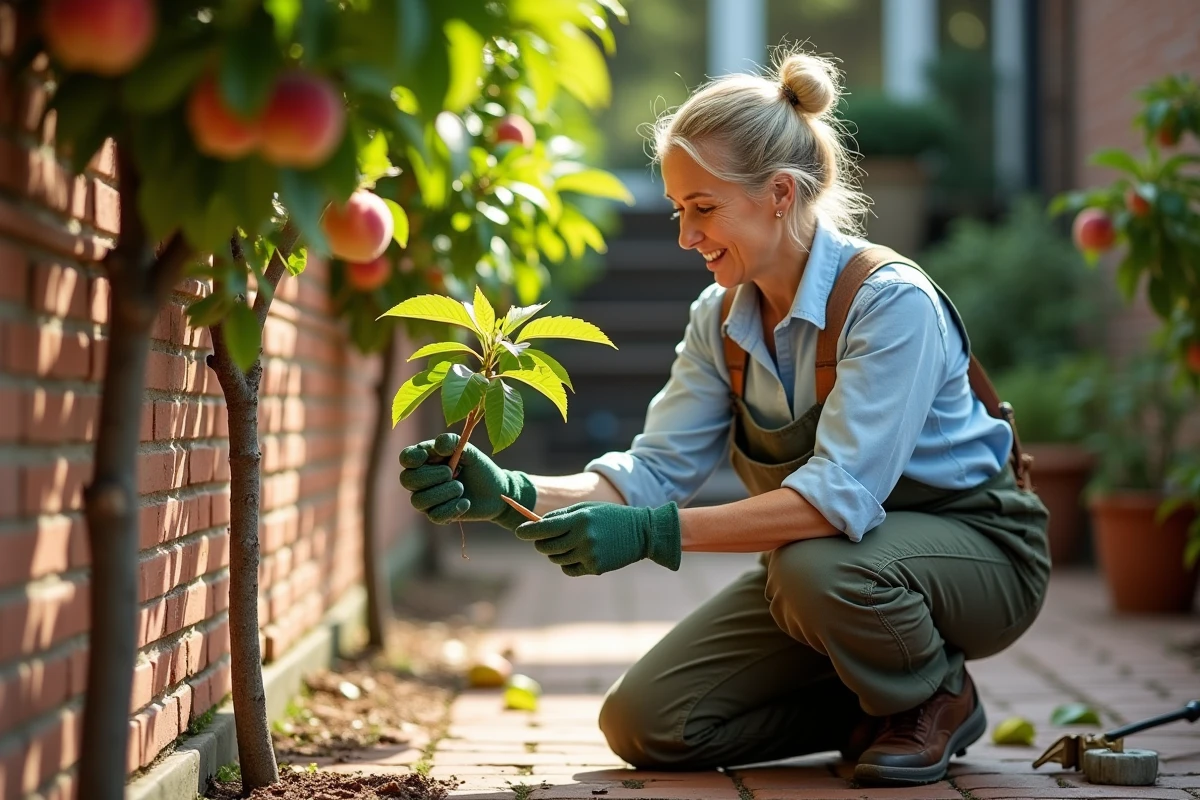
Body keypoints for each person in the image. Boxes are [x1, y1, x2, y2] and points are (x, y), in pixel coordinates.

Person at [397, 46, 1051, 787]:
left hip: (979, 553)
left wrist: (654, 535)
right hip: (847, 575)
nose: (686, 236)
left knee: (812, 566)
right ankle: (875, 699)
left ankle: (934, 696)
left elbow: (836, 500)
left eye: (703, 209)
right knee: (647, 722)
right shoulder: (721, 320)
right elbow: (652, 472)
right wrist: (513, 491)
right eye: (680, 211)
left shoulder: (887, 301)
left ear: (779, 193)